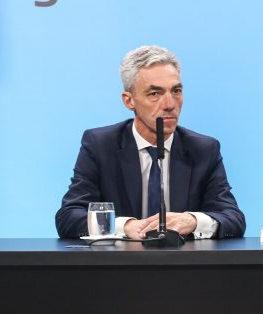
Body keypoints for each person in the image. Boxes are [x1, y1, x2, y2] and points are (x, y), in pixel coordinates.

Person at [56, 45, 245, 239]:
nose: (170, 104)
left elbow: (233, 218)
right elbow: (69, 216)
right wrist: (126, 226)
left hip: (184, 266)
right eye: (155, 93)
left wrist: (193, 221)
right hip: (119, 266)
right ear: (129, 101)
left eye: (176, 91)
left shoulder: (204, 149)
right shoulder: (100, 145)